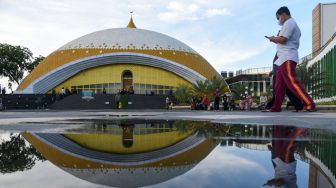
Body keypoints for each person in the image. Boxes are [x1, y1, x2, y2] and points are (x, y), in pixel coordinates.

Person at [265, 6, 316, 112]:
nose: (278, 21)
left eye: (278, 18)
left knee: (292, 81)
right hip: (283, 58)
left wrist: (273, 38)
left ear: (283, 14)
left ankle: (309, 104)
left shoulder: (289, 23)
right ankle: (276, 107)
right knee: (279, 85)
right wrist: (275, 39)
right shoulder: (290, 24)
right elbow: (285, 40)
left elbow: (283, 39)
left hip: (287, 57)